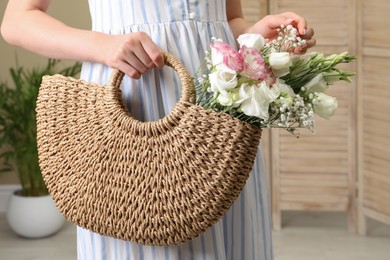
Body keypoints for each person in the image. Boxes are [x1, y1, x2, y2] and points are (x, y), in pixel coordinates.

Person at [1, 1, 315, 259]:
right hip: (133, 104)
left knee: (232, 240)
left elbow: (228, 18)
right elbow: (17, 21)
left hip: (218, 123)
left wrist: (252, 35)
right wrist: (105, 44)